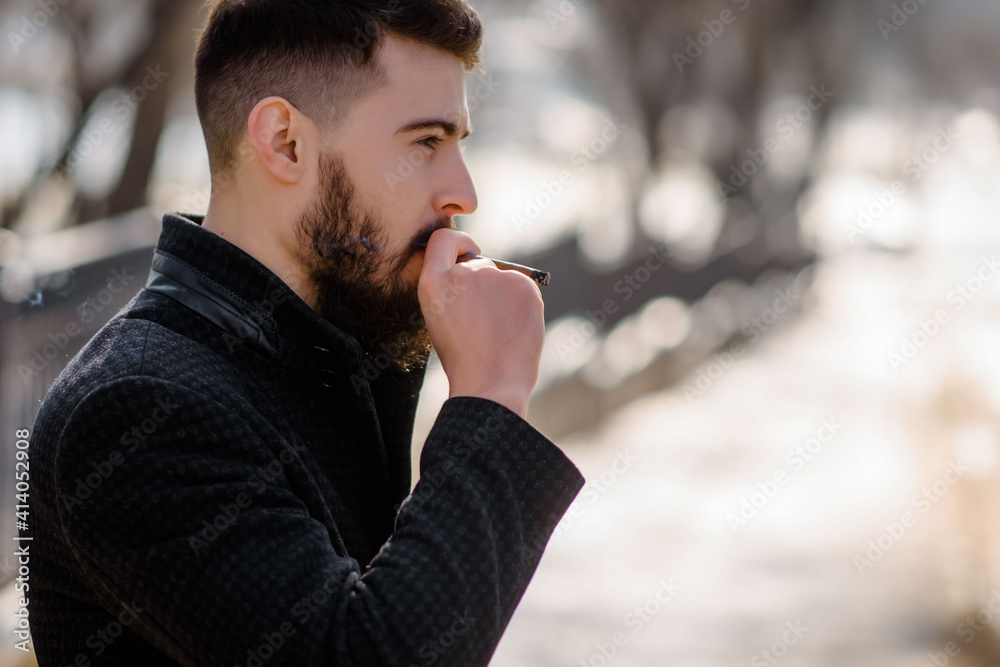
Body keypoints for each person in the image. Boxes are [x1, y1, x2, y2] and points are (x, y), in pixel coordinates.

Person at [23, 1, 585, 665]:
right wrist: (491, 395)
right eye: (426, 142)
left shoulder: (324, 356)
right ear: (285, 141)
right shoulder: (135, 409)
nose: (463, 193)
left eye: (458, 142)